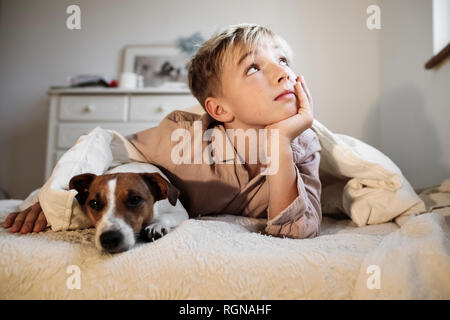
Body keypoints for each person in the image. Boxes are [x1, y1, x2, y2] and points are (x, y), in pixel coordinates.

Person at [3, 23, 322, 239]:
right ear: (220, 110)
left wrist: (279, 140)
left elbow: (294, 230)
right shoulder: (183, 140)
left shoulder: (302, 143)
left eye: (283, 60)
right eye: (254, 67)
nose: (285, 73)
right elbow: (111, 151)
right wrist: (52, 197)